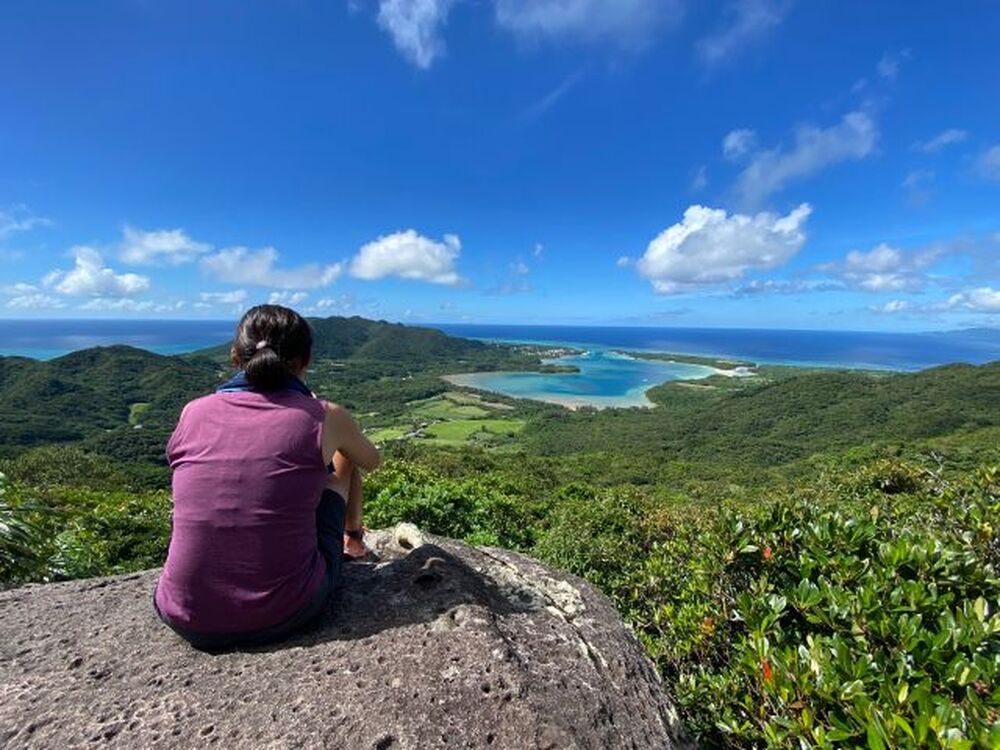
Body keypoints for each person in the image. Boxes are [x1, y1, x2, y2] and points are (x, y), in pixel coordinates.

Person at [153, 304, 380, 650]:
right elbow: (371, 460)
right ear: (306, 359)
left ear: (235, 355)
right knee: (343, 457)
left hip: (183, 613)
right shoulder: (324, 416)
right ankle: (353, 540)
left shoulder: (193, 411)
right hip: (285, 611)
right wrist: (316, 415)